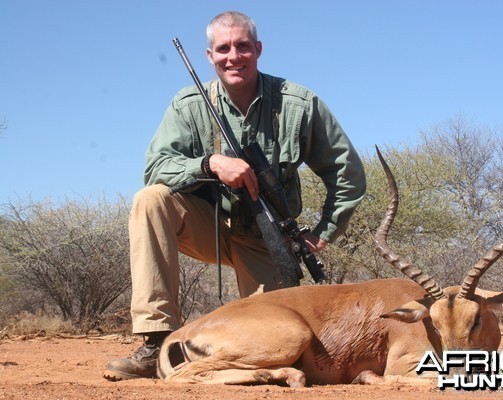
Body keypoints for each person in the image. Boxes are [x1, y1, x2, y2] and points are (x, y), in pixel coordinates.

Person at [103, 11, 366, 381]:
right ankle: (156, 339)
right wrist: (210, 164)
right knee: (151, 199)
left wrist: (323, 231)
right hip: (205, 227)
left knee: (276, 343)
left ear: (258, 49)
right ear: (209, 56)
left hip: (266, 240)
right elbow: (156, 168)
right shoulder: (188, 104)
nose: (233, 56)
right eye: (223, 48)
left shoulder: (299, 103)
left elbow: (348, 174)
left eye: (243, 46)